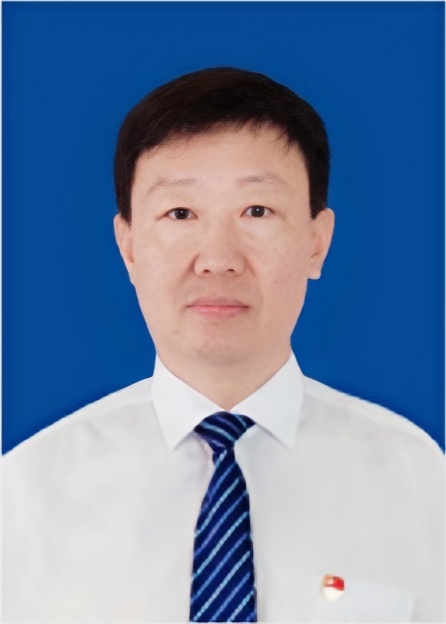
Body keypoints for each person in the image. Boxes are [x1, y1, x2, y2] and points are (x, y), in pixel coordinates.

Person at [3, 67, 444, 623]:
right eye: (180, 213)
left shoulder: (419, 480)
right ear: (129, 247)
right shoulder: (25, 493)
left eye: (257, 211)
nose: (217, 258)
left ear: (316, 243)